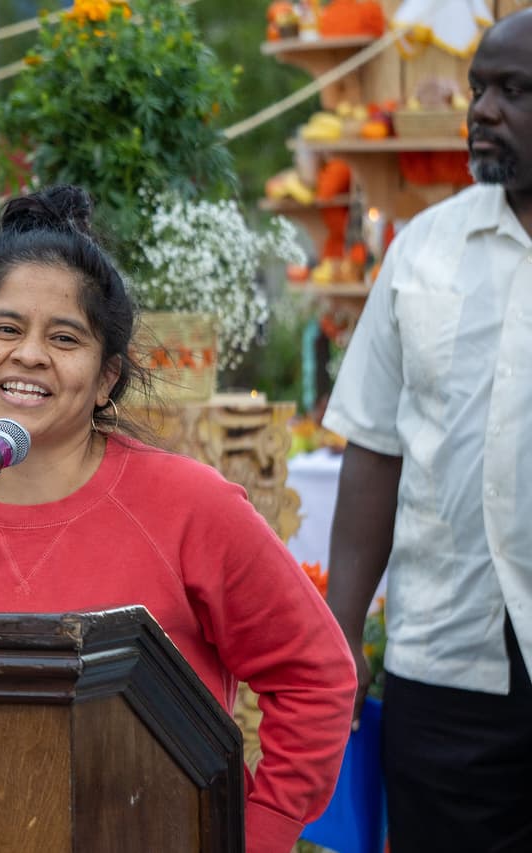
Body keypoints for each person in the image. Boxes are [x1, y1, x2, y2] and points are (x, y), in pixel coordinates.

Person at [0, 185, 356, 853]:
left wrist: (256, 834)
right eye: (5, 328)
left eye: (64, 337)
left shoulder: (192, 506)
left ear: (106, 377)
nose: (30, 354)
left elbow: (316, 674)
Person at [322, 11, 532, 850]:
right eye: (481, 88)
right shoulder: (423, 252)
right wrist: (341, 625)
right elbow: (375, 445)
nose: (482, 109)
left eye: (515, 90)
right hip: (448, 662)